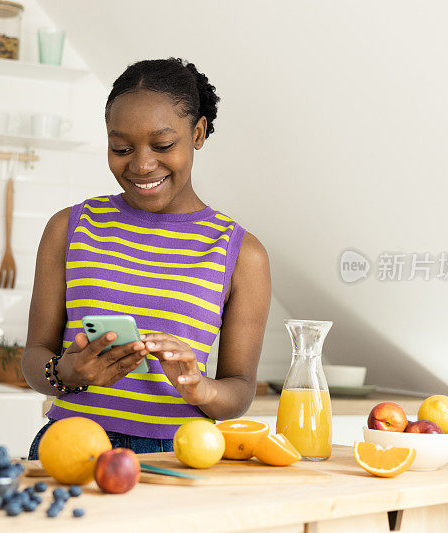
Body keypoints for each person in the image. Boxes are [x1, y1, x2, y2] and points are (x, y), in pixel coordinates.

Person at [22, 58, 271, 459]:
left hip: (178, 454)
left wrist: (198, 387)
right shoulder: (69, 227)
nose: (140, 165)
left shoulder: (241, 253)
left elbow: (239, 389)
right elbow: (34, 354)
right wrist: (67, 373)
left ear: (198, 132)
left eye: (163, 145)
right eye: (121, 148)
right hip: (69, 446)